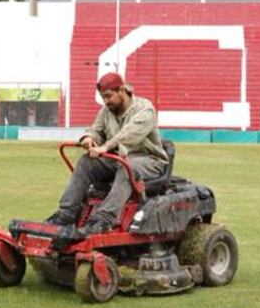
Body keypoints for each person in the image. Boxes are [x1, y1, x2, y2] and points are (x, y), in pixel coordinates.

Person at [45, 72, 168, 235]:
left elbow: (130, 134)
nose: (106, 101)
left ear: (122, 90)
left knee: (128, 168)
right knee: (86, 162)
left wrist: (105, 147)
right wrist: (89, 138)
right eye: (103, 97)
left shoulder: (145, 109)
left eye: (109, 96)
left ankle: (104, 219)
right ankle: (67, 213)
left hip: (148, 160)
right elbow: (96, 130)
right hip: (118, 158)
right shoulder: (106, 111)